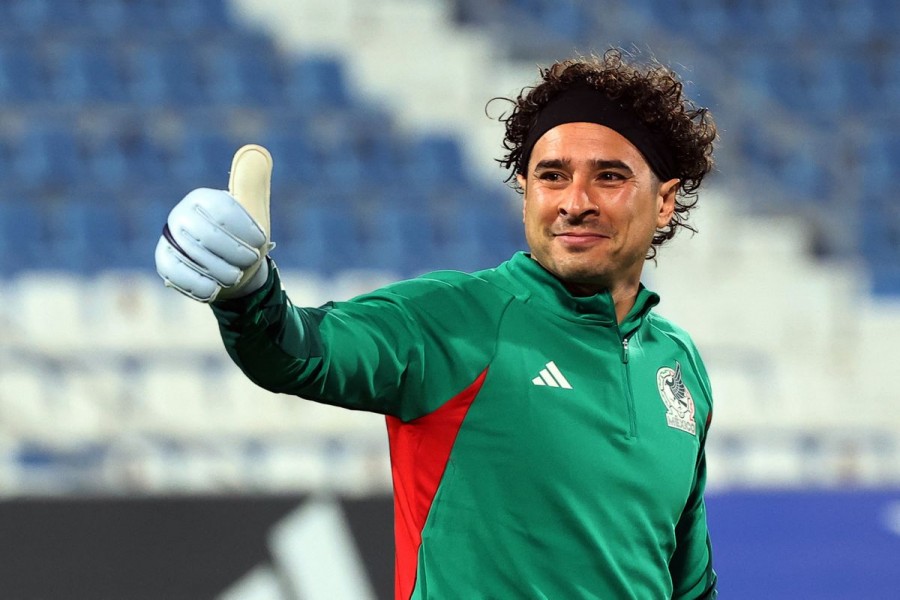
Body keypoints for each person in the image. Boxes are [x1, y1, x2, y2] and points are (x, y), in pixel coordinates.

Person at [155, 48, 718, 599]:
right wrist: (248, 295)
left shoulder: (678, 364)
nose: (575, 202)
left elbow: (688, 584)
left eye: (609, 177)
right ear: (525, 191)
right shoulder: (453, 317)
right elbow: (299, 350)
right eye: (552, 175)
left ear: (664, 202)